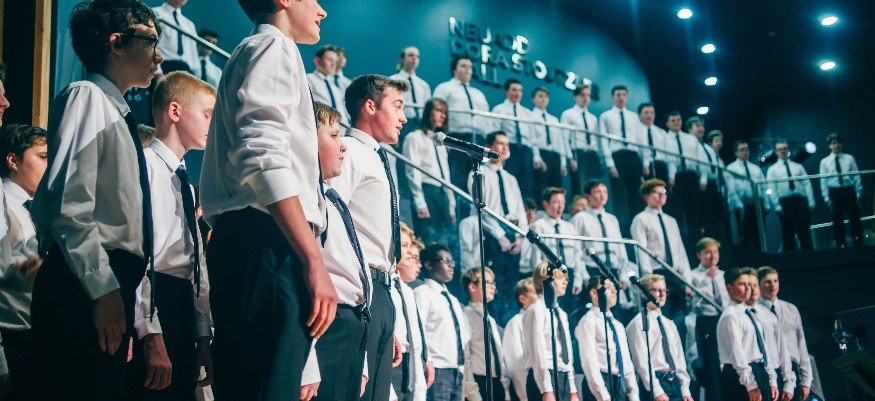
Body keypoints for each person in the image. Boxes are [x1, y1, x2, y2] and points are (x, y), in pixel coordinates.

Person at [198, 0, 335, 399]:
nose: (323, 11)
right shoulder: (273, 46)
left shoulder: (257, 49)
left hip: (253, 243)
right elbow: (262, 155)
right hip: (267, 244)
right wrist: (312, 259)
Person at [28, 1, 164, 399]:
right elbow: (70, 206)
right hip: (86, 282)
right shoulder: (87, 96)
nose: (159, 55)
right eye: (150, 41)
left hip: (107, 278)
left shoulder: (114, 109)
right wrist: (102, 288)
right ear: (116, 43)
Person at [123, 71, 215, 399]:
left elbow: (195, 263)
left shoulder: (184, 181)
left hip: (182, 307)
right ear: (175, 111)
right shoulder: (145, 167)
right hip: (156, 301)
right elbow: (138, 255)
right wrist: (150, 331)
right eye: (207, 114)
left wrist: (202, 333)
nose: (213, 124)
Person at [328, 74, 410, 401]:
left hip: (382, 290)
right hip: (361, 287)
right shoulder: (348, 151)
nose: (403, 117)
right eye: (397, 106)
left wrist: (390, 319)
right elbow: (331, 218)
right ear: (370, 106)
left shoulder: (376, 156)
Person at [302, 102, 371, 401]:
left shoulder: (333, 198)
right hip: (326, 331)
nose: (343, 146)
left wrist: (361, 357)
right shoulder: (304, 200)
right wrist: (307, 361)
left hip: (350, 328)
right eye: (333, 136)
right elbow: (302, 283)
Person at [0, 123, 46, 399]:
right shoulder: (4, 203)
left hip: (36, 332)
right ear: (13, 160)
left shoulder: (38, 206)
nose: (49, 166)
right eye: (42, 157)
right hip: (12, 335)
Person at [469, 132, 528, 321]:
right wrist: (499, 235)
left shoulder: (511, 178)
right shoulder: (479, 173)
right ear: (489, 146)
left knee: (511, 283)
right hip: (492, 233)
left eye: (507, 145)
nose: (504, 148)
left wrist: (520, 237)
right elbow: (480, 207)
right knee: (494, 281)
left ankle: (508, 321)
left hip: (512, 231)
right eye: (500, 143)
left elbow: (520, 210)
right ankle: (493, 320)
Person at [414, 243, 471, 401]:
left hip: (457, 371)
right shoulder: (422, 294)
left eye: (452, 261)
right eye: (445, 261)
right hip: (437, 370)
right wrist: (427, 363)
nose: (451, 265)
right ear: (428, 265)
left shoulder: (452, 299)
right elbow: (418, 334)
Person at [571, 180, 635, 319]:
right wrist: (583, 274)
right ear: (588, 196)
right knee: (595, 312)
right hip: (593, 270)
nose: (602, 195)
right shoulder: (580, 218)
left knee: (614, 311)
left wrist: (623, 273)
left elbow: (620, 248)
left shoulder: (612, 219)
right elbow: (577, 249)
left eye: (605, 192)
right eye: (598, 192)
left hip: (613, 270)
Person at [630, 179, 692, 320]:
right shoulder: (641, 219)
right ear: (646, 196)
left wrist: (687, 281)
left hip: (675, 274)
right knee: (661, 315)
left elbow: (680, 252)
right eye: (656, 192)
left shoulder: (671, 221)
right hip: (656, 273)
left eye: (663, 192)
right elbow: (641, 251)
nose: (661, 195)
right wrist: (647, 279)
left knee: (679, 317)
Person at [625, 274, 694, 401]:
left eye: (664, 290)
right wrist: (656, 390)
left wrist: (685, 389)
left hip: (673, 382)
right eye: (656, 290)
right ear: (644, 294)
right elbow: (641, 361)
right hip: (654, 383)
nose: (662, 294)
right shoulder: (638, 323)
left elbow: (679, 358)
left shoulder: (669, 324)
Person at [716, 268, 777, 401]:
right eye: (742, 284)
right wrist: (750, 384)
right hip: (740, 374)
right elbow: (736, 352)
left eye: (749, 284)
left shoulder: (748, 312)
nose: (748, 288)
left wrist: (771, 379)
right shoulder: (731, 315)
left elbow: (762, 346)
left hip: (758, 369)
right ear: (730, 288)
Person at [403, 98, 456, 247]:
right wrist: (419, 201)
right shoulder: (414, 137)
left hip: (442, 193)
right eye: (438, 110)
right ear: (428, 112)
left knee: (444, 242)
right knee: (427, 241)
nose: (443, 116)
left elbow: (446, 174)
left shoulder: (441, 142)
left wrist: (451, 205)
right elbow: (412, 171)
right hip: (427, 191)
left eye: (445, 113)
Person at [432, 57, 491, 191]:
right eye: (463, 66)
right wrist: (442, 138)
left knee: (476, 175)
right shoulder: (444, 88)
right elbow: (437, 112)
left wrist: (486, 140)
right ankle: (457, 202)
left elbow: (486, 119)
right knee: (456, 173)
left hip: (478, 139)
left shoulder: (478, 94)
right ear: (454, 69)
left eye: (470, 67)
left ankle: (473, 203)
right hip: (455, 137)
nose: (468, 70)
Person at [576, 277, 639, 401]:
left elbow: (626, 360)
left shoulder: (618, 325)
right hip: (601, 382)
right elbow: (589, 360)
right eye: (609, 288)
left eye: (614, 288)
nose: (614, 291)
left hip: (619, 382)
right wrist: (602, 394)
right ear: (594, 293)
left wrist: (633, 393)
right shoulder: (588, 321)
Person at [523, 262, 579, 401]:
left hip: (562, 375)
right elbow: (537, 351)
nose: (565, 282)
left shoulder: (561, 313)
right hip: (544, 375)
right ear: (546, 280)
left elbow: (567, 352)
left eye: (566, 278)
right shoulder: (536, 310)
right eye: (560, 278)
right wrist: (546, 388)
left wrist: (572, 389)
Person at [757, 267, 812, 401]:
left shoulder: (791, 309)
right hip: (771, 369)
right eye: (768, 282)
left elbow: (801, 344)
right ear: (758, 284)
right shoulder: (756, 312)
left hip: (793, 367)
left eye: (775, 281)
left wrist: (806, 379)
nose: (772, 285)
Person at [527, 187, 586, 311]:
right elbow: (536, 257)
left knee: (570, 312)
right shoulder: (539, 226)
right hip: (550, 274)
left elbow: (577, 255)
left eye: (562, 202)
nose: (560, 206)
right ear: (546, 204)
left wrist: (578, 280)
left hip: (568, 273)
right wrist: (540, 280)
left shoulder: (569, 227)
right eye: (556, 202)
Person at [392, 223, 433, 401]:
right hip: (393, 359)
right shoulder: (384, 285)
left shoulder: (407, 291)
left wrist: (426, 359)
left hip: (411, 361)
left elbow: (417, 332)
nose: (409, 252)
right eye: (404, 245)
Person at [687, 237, 730, 401]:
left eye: (715, 252)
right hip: (707, 321)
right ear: (699, 255)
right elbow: (692, 304)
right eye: (708, 252)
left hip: (724, 320)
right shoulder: (692, 275)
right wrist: (707, 280)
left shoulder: (722, 275)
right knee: (712, 363)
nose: (712, 256)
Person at [462, 267, 511, 401]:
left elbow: (499, 355)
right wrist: (472, 392)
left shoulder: (491, 319)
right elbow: (465, 355)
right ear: (472, 287)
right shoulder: (467, 315)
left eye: (493, 283)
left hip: (497, 383)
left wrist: (505, 390)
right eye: (487, 282)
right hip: (480, 382)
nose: (493, 286)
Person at [744, 271, 794, 401]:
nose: (752, 289)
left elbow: (782, 351)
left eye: (755, 285)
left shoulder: (769, 316)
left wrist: (788, 382)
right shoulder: (739, 316)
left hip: (775, 373)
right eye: (748, 285)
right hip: (753, 373)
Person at [599, 85, 644, 225]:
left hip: (633, 156)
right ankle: (622, 227)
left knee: (635, 193)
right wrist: (610, 164)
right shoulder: (606, 116)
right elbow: (604, 140)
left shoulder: (634, 117)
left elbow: (639, 139)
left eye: (624, 95)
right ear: (613, 97)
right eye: (618, 95)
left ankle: (635, 225)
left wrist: (643, 161)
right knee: (619, 194)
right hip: (617, 156)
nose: (621, 98)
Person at [492, 78, 541, 200]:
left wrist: (536, 156)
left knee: (527, 182)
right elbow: (495, 133)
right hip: (509, 148)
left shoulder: (527, 113)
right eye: (514, 90)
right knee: (509, 180)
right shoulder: (499, 109)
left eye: (520, 90)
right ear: (506, 91)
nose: (517, 93)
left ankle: (527, 208)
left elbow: (532, 137)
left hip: (525, 151)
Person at [765, 140, 815, 251]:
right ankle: (790, 258)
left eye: (784, 148)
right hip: (785, 202)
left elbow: (807, 184)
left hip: (800, 200)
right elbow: (772, 188)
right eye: (780, 149)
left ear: (788, 150)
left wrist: (811, 201)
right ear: (776, 152)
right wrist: (777, 206)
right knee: (788, 233)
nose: (783, 151)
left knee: (804, 231)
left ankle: (810, 256)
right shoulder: (772, 170)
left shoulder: (798, 167)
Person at [662, 111, 706, 233]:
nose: (676, 123)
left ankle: (695, 235)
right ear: (667, 123)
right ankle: (681, 236)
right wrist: (671, 177)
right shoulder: (664, 139)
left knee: (694, 208)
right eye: (673, 121)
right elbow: (669, 161)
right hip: (676, 176)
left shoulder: (691, 138)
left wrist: (703, 178)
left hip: (691, 175)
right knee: (677, 209)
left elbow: (700, 159)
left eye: (678, 120)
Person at [818, 133, 863, 247]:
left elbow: (856, 176)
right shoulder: (824, 162)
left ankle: (859, 245)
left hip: (849, 191)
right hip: (835, 192)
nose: (836, 145)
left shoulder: (849, 158)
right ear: (829, 146)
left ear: (841, 144)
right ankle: (841, 246)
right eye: (834, 143)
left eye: (838, 142)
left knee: (855, 219)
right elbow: (823, 181)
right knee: (837, 221)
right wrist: (826, 198)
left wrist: (858, 194)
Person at [725, 140, 769, 250]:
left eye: (746, 149)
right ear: (736, 152)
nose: (745, 152)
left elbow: (764, 186)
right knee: (744, 234)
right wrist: (739, 206)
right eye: (742, 150)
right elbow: (731, 190)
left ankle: (762, 256)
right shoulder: (731, 169)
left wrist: (766, 204)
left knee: (759, 234)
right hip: (742, 205)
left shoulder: (755, 168)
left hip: (757, 204)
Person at [560, 84, 602, 198]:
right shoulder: (568, 114)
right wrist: (570, 157)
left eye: (588, 95)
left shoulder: (593, 118)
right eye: (582, 95)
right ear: (575, 97)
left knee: (594, 186)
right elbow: (564, 138)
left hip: (592, 154)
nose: (585, 98)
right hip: (579, 153)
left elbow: (596, 140)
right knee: (580, 186)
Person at [503, 278, 538, 401]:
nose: (540, 296)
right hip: (530, 390)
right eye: (536, 292)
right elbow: (515, 365)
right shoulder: (516, 322)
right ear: (523, 299)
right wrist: (525, 396)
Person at [687, 117, 723, 228]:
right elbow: (697, 164)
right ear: (690, 129)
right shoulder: (689, 144)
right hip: (699, 183)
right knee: (703, 215)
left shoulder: (708, 148)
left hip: (712, 184)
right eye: (697, 126)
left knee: (715, 216)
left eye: (702, 126)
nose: (701, 128)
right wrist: (703, 179)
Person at [530, 87, 566, 199]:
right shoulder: (530, 116)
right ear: (533, 99)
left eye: (546, 96)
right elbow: (532, 138)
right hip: (541, 154)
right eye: (540, 96)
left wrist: (563, 161)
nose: (543, 99)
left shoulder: (554, 120)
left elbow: (560, 141)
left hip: (555, 156)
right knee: (540, 187)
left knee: (556, 187)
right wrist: (537, 157)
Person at [390, 46, 431, 130]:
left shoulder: (423, 85)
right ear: (402, 58)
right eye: (411, 55)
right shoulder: (393, 80)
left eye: (417, 56)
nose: (414, 58)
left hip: (420, 124)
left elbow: (427, 107)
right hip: (401, 122)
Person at [152, 0, 199, 73]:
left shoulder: (189, 24)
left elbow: (193, 53)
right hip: (164, 66)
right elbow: (150, 45)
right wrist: (157, 72)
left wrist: (195, 74)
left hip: (185, 69)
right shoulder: (155, 14)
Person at [307, 45, 349, 123]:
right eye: (330, 60)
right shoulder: (309, 79)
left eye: (335, 61)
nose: (333, 64)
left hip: (339, 127)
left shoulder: (336, 89)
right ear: (317, 60)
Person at [638, 103, 669, 183]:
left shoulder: (661, 132)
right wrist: (645, 163)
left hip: (660, 165)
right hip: (644, 165)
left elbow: (666, 153)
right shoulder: (636, 131)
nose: (649, 115)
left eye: (652, 113)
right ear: (639, 115)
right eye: (646, 113)